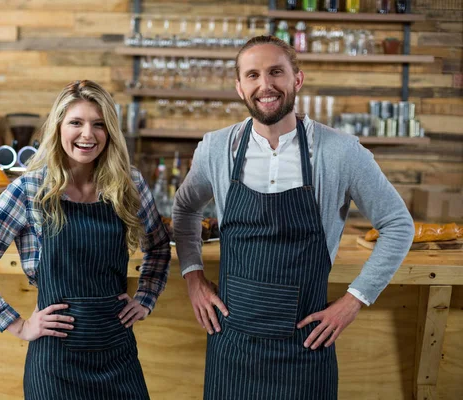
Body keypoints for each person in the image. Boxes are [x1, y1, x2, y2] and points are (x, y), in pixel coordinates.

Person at [172, 35, 415, 399]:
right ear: (239, 87)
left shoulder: (341, 152)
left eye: (275, 72)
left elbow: (398, 224)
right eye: (252, 75)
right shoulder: (217, 148)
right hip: (231, 344)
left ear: (296, 79)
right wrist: (193, 276)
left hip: (306, 345)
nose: (265, 85)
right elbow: (185, 208)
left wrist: (354, 301)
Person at [0, 80, 170, 399]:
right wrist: (19, 325)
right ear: (57, 128)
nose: (88, 134)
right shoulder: (28, 190)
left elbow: (159, 247)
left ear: (109, 132)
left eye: (99, 124)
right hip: (55, 365)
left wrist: (146, 298)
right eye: (76, 123)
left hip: (118, 356)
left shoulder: (128, 184)